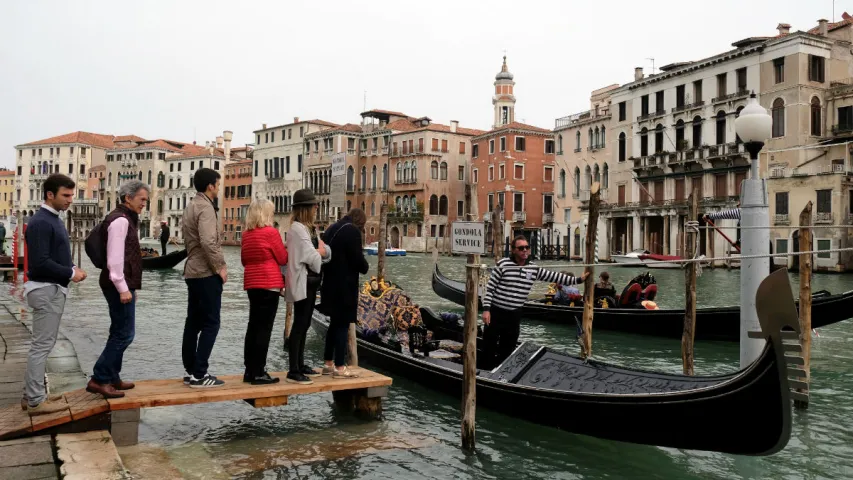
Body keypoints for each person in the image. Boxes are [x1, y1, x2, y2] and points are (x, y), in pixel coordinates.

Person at [22, 174, 87, 415]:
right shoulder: (41, 222)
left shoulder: (51, 220)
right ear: (50, 195)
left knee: (42, 345)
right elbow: (39, 264)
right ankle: (36, 401)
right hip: (45, 289)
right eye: (66, 195)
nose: (71, 200)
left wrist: (69, 272)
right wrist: (71, 272)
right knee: (41, 346)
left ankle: (30, 394)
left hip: (50, 289)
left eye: (72, 195)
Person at [482, 235, 588, 369]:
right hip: (496, 312)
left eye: (527, 247)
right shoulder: (503, 264)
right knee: (489, 345)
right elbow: (490, 288)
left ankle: (501, 373)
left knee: (508, 347)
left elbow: (555, 276)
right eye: (521, 248)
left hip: (514, 315)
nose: (525, 250)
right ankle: (485, 371)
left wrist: (579, 280)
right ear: (514, 250)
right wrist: (486, 310)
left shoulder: (533, 269)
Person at [87, 181, 149, 399]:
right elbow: (115, 260)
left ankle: (112, 375)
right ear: (127, 198)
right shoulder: (120, 221)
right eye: (141, 199)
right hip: (116, 284)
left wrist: (130, 287)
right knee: (125, 334)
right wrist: (123, 287)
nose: (145, 203)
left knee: (118, 331)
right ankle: (99, 378)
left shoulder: (123, 218)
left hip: (120, 284)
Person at [182, 168, 227, 388]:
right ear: (210, 185)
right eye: (218, 185)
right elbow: (209, 242)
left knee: (193, 322)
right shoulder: (206, 208)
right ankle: (199, 374)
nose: (219, 188)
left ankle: (191, 370)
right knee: (212, 323)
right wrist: (220, 267)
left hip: (191, 271)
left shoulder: (191, 205)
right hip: (205, 272)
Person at [240, 199, 289, 385]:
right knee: (264, 329)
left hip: (252, 283)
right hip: (269, 283)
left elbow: (244, 260)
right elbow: (283, 258)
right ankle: (259, 371)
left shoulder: (246, 235)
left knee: (253, 326)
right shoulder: (271, 232)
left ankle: (249, 371)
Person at [285, 189, 331, 385]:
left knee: (303, 325)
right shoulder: (297, 229)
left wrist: (320, 251)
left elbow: (326, 252)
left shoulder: (310, 229)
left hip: (311, 282)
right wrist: (320, 251)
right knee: (299, 325)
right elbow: (312, 256)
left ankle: (300, 364)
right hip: (302, 282)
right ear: (305, 208)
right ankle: (293, 369)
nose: (316, 208)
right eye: (313, 205)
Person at [320, 208, 369, 378]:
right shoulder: (352, 231)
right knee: (342, 325)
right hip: (344, 287)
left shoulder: (332, 228)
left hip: (329, 284)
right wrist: (366, 266)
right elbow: (359, 262)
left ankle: (328, 363)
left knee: (334, 324)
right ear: (360, 222)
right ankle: (340, 367)